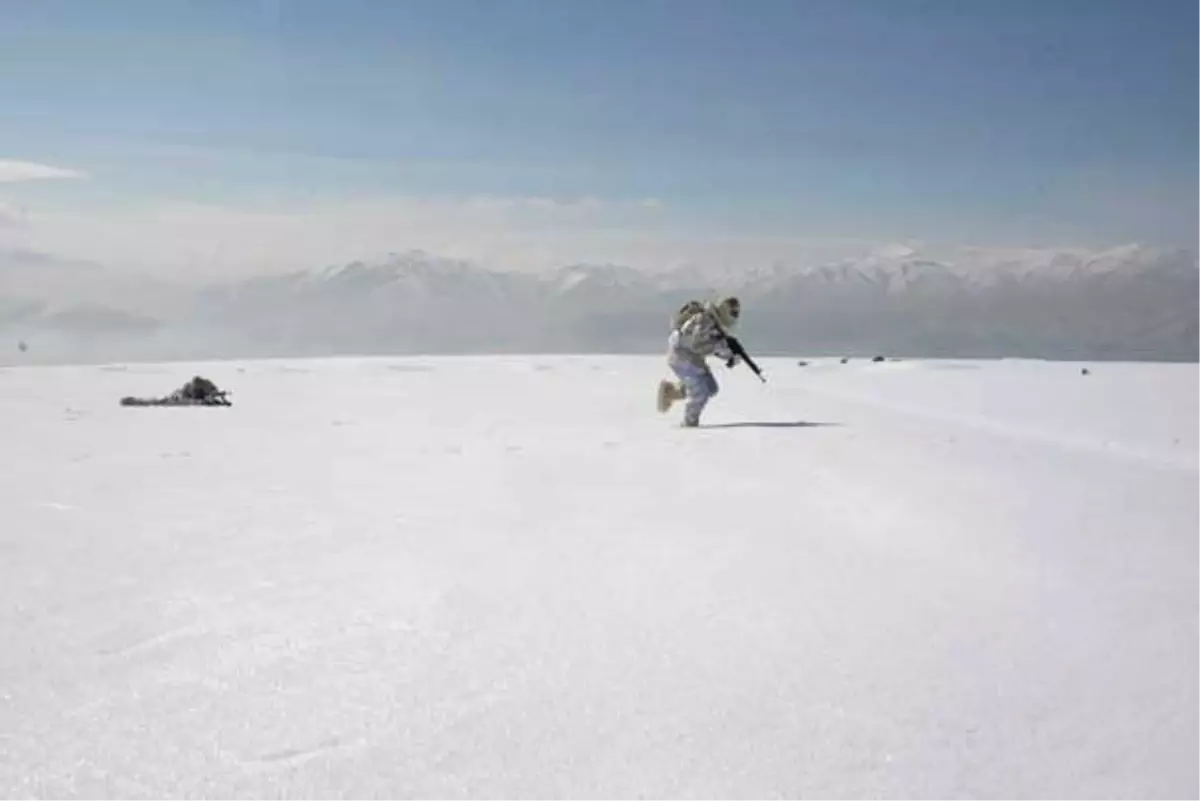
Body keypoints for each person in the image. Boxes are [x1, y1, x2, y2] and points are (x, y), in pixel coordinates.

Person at [657, 296, 741, 427]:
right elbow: (698, 344)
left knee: (710, 387)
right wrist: (721, 348)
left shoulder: (712, 322)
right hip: (682, 357)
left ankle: (671, 392)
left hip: (690, 358)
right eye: (733, 311)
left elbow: (710, 345)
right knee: (701, 391)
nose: (735, 315)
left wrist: (729, 355)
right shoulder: (704, 320)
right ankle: (689, 422)